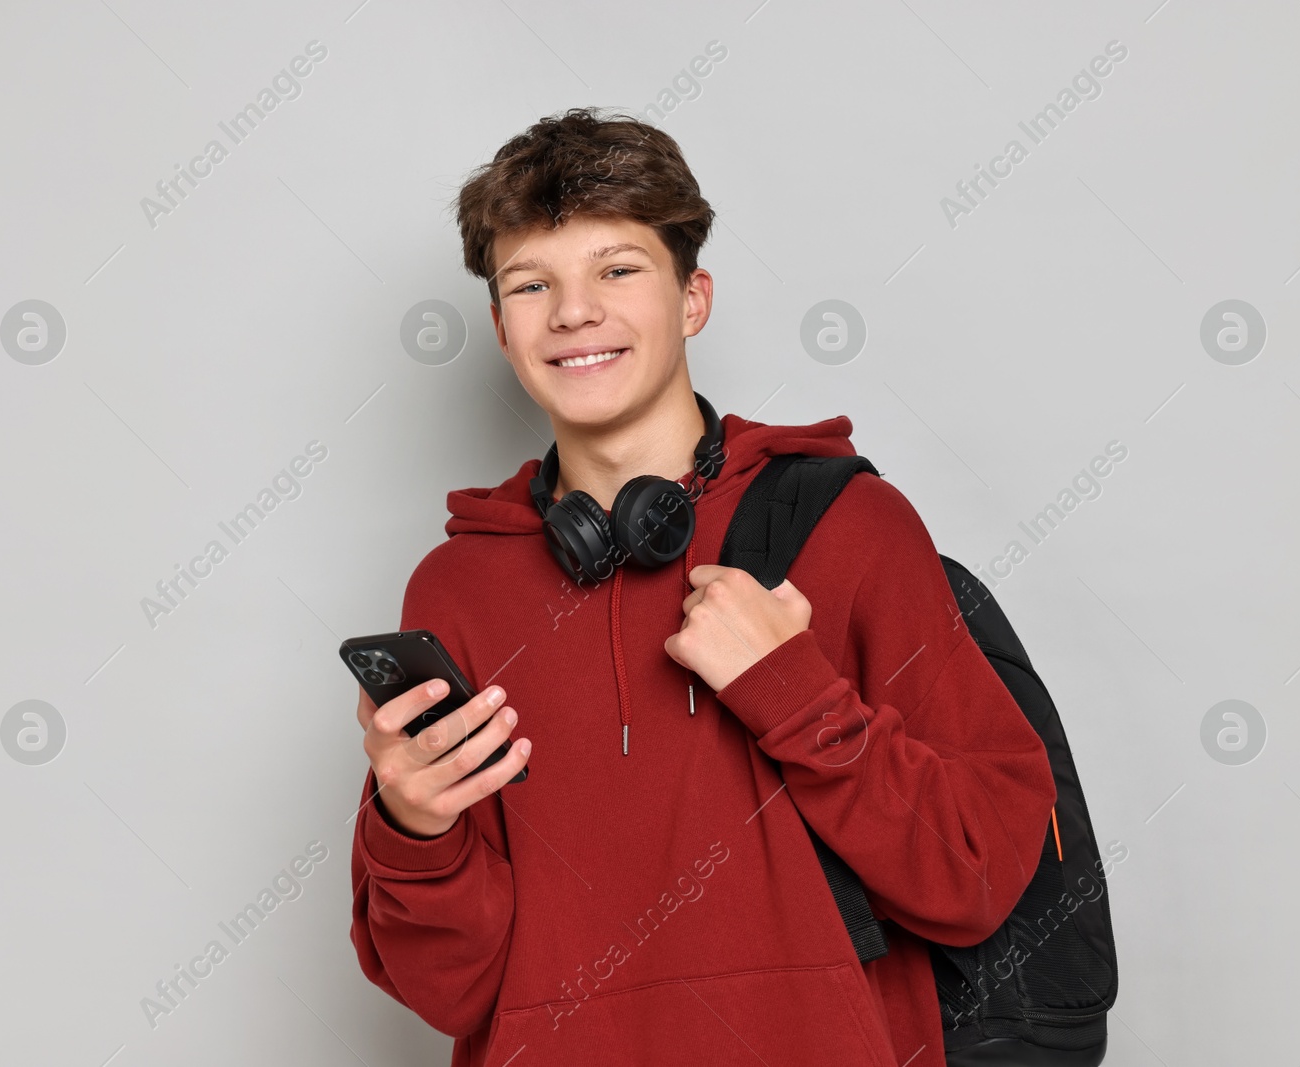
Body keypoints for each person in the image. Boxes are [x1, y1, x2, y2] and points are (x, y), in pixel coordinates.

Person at [350, 107, 1056, 1067]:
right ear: (501, 329)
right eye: (531, 283)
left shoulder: (847, 528)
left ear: (693, 299)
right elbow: (451, 991)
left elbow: (973, 874)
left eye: (618, 269)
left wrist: (793, 692)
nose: (572, 312)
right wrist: (414, 827)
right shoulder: (458, 588)